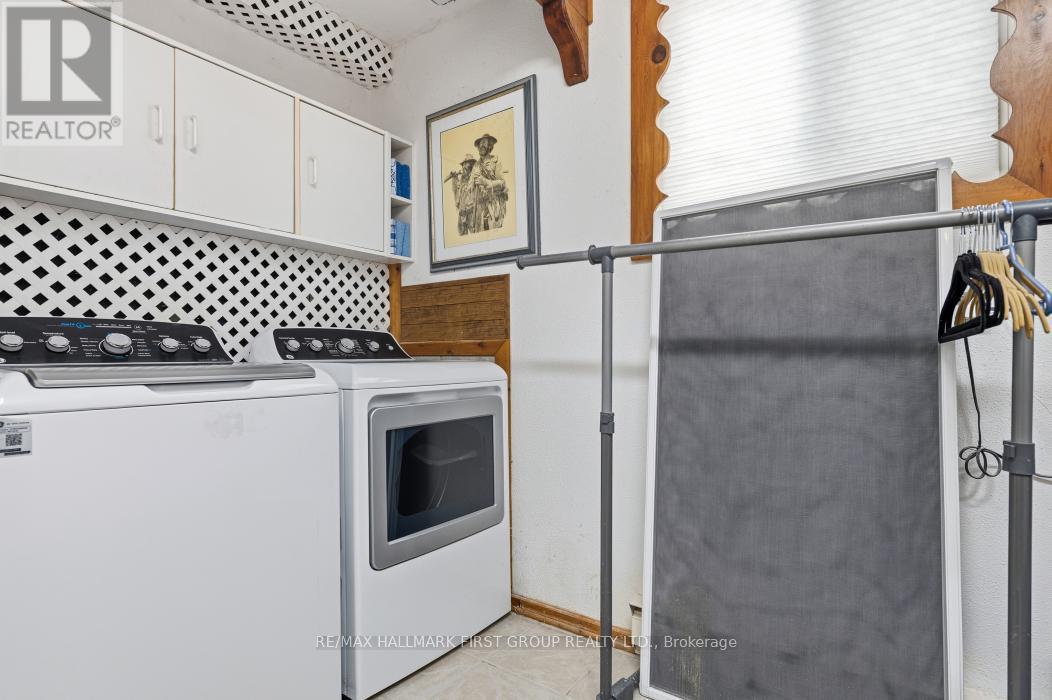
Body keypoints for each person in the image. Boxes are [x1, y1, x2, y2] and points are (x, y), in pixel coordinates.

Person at [472, 133, 508, 231]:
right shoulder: (476, 165)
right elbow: (471, 185)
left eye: (484, 143)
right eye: (479, 143)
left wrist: (486, 182)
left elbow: (502, 183)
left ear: (490, 146)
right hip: (480, 207)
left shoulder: (495, 161)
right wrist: (470, 185)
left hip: (494, 204)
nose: (481, 146)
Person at [446, 153, 478, 235]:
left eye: (469, 164)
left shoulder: (475, 178)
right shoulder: (461, 180)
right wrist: (454, 178)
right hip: (462, 213)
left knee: (475, 234)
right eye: (465, 164)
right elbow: (455, 192)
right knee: (462, 235)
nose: (466, 167)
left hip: (472, 213)